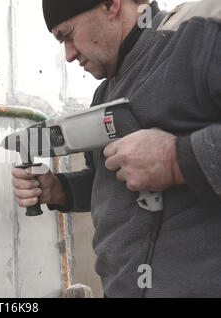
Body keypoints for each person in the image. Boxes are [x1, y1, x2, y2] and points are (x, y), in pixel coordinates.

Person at [12, 0, 221, 297]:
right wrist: (58, 190)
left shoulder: (198, 35)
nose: (69, 55)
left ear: (111, 5)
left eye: (67, 34)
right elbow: (107, 181)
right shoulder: (104, 93)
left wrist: (177, 160)